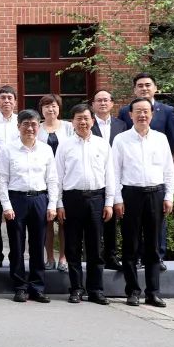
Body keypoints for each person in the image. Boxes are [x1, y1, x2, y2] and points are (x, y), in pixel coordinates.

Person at [113, 97, 174, 308]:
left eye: (146, 111)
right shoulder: (121, 140)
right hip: (131, 195)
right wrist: (117, 199)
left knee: (153, 247)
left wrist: (168, 196)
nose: (142, 115)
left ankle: (153, 292)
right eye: (138, 111)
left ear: (152, 114)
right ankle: (132, 291)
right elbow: (114, 172)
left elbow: (169, 170)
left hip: (155, 195)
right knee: (130, 245)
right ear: (130, 114)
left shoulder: (160, 139)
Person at [117, 73, 174, 270]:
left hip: (156, 175)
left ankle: (157, 257)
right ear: (134, 89)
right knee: (132, 228)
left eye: (148, 85)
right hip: (132, 182)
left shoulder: (167, 110)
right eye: (140, 85)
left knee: (157, 225)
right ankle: (135, 258)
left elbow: (173, 141)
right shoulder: (125, 111)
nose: (144, 88)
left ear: (155, 88)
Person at [55, 104, 114, 305]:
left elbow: (110, 175)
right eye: (78, 118)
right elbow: (57, 177)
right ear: (72, 122)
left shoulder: (102, 145)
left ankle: (96, 290)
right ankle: (76, 289)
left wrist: (109, 202)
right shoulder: (64, 146)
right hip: (72, 199)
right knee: (73, 246)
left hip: (97, 198)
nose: (83, 122)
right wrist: (59, 203)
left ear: (92, 121)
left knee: (95, 247)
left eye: (86, 118)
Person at [0, 109, 59, 304]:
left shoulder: (46, 150)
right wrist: (6, 205)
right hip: (16, 200)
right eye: (25, 124)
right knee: (17, 246)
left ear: (38, 126)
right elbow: (2, 180)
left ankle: (37, 287)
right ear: (18, 126)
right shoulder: (8, 149)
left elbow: (52, 179)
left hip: (39, 200)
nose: (30, 128)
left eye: (34, 124)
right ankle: (20, 287)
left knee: (37, 245)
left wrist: (52, 204)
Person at [91, 89, 128, 270]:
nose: (103, 103)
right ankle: (94, 256)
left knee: (111, 220)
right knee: (94, 222)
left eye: (106, 100)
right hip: (95, 178)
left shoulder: (122, 125)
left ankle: (111, 256)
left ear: (112, 104)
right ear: (93, 105)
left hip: (116, 178)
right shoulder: (87, 124)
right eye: (99, 100)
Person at [37, 93, 72, 272]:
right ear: (41, 109)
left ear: (59, 108)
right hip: (43, 180)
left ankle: (63, 258)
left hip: (66, 179)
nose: (50, 109)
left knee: (64, 221)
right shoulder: (37, 128)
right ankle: (49, 257)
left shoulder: (68, 127)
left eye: (54, 106)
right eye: (46, 106)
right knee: (48, 221)